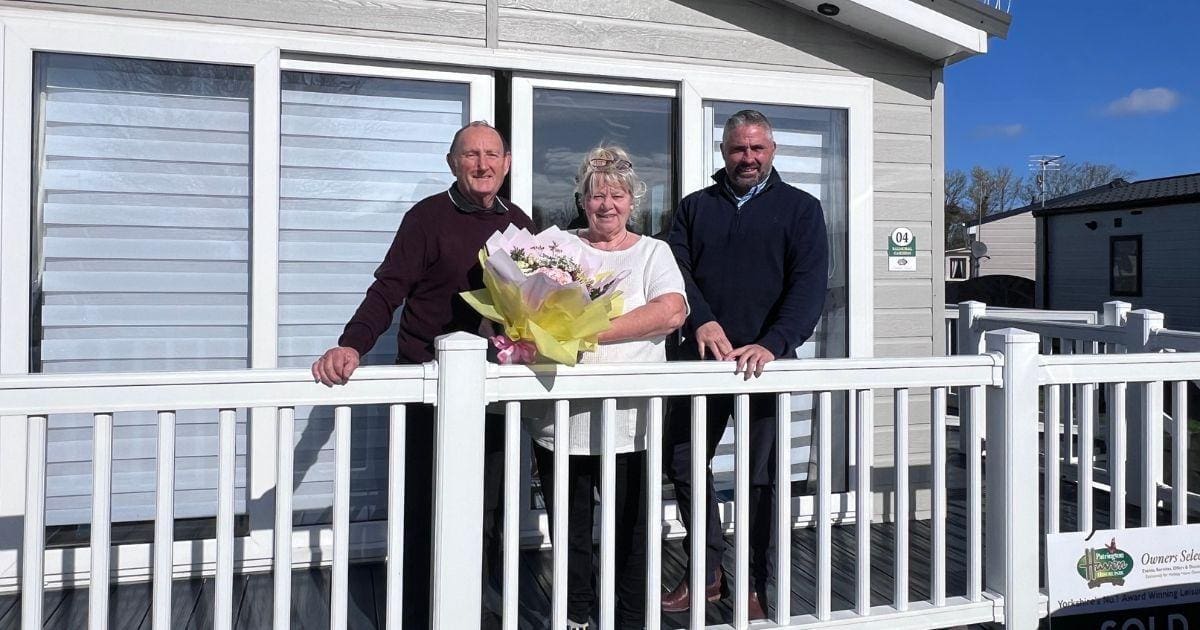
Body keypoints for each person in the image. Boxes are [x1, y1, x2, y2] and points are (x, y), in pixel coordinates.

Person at [311, 121, 534, 628]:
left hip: (491, 392)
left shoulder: (519, 225)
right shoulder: (426, 218)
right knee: (424, 510)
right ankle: (418, 613)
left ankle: (470, 609)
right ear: (453, 163)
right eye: (471, 155)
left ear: (507, 163)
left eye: (491, 155)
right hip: (427, 389)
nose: (482, 164)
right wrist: (352, 344)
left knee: (487, 511)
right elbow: (388, 289)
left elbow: (535, 301)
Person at [663, 110, 828, 619]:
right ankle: (707, 572)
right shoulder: (695, 208)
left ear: (772, 151)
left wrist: (775, 342)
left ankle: (754, 585)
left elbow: (809, 286)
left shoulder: (801, 209)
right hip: (701, 360)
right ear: (724, 152)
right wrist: (703, 322)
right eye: (738, 149)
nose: (748, 158)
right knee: (685, 464)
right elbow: (676, 273)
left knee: (762, 480)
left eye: (757, 149)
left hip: (766, 365)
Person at [525, 146, 688, 630]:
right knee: (570, 531)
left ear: (632, 200)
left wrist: (586, 330)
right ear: (582, 199)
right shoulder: (556, 248)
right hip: (562, 421)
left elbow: (672, 310)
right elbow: (531, 312)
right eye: (597, 195)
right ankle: (575, 615)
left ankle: (630, 617)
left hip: (631, 425)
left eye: (617, 195)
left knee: (632, 533)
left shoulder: (653, 252)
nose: (607, 205)